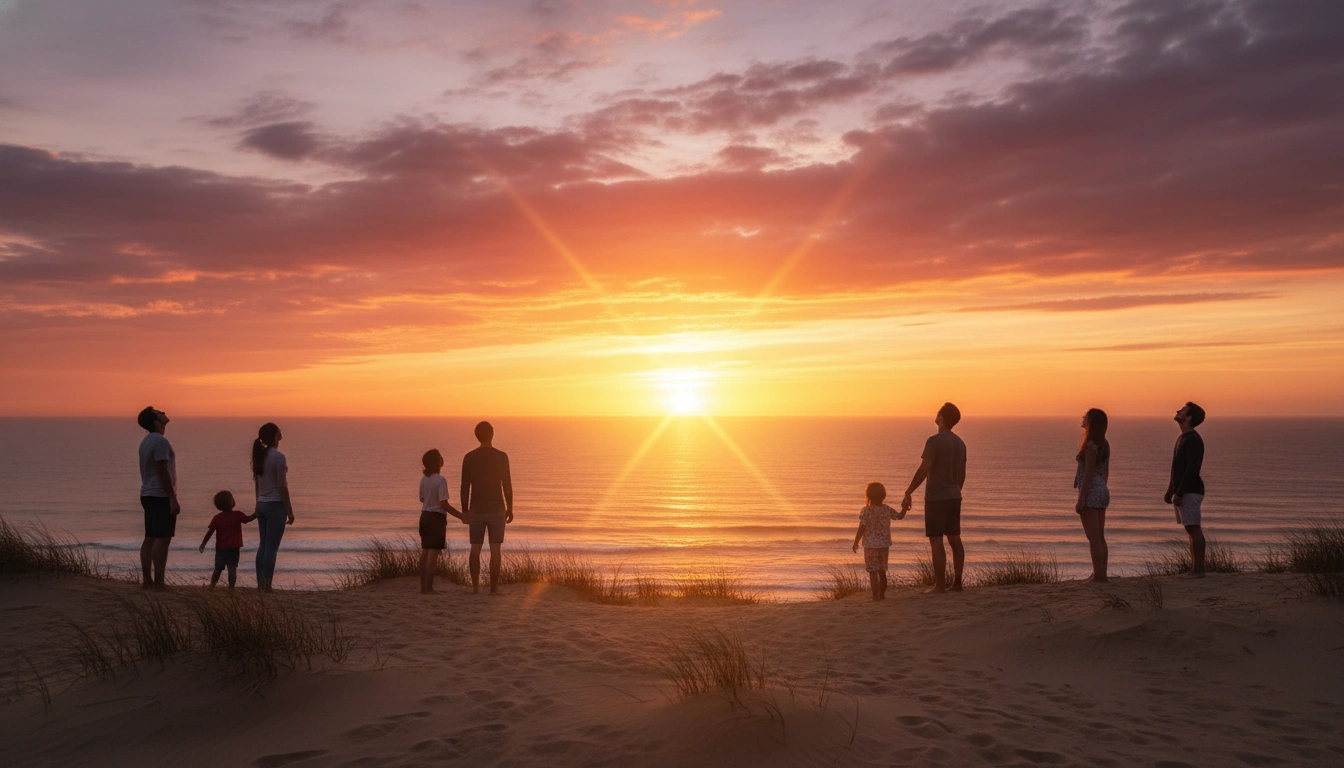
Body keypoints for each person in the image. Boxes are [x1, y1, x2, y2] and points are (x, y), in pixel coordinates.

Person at [901, 402, 967, 593]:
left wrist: (909, 491)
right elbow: (962, 473)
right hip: (954, 496)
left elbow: (924, 469)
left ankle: (939, 585)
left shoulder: (934, 441)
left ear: (941, 417)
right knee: (955, 539)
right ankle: (957, 583)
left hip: (936, 497)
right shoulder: (960, 443)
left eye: (938, 413)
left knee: (936, 540)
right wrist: (956, 490)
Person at [460, 421, 513, 594]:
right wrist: (510, 507)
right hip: (497, 508)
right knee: (495, 549)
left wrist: (465, 510)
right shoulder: (502, 456)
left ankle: (475, 587)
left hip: (476, 509)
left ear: (477, 436)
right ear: (492, 434)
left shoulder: (469, 457)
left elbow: (464, 487)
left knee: (475, 548)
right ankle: (493, 588)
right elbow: (507, 485)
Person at [136, 407, 179, 590]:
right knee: (162, 539)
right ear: (156, 422)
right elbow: (163, 471)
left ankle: (148, 581)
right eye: (159, 412)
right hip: (159, 495)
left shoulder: (146, 441)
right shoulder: (160, 442)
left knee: (150, 537)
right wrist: (172, 498)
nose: (163, 411)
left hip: (148, 494)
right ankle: (159, 583)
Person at [1165, 402, 1207, 578]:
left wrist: (1180, 492)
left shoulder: (1193, 440)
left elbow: (1191, 470)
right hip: (1184, 490)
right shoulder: (1183, 438)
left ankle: (1198, 570)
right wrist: (1171, 490)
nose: (1178, 411)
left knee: (1194, 528)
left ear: (1189, 417)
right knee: (1190, 529)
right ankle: (1195, 569)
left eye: (1182, 410)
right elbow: (1176, 466)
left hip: (1190, 490)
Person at [252, 422, 294, 592]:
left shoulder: (260, 456)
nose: (281, 433)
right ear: (276, 436)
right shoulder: (278, 457)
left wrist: (257, 504)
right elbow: (282, 487)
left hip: (262, 504)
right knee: (271, 548)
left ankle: (260, 584)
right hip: (275, 505)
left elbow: (257, 484)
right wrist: (290, 511)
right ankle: (267, 586)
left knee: (263, 545)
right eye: (279, 431)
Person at [418, 449, 463, 594]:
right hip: (436, 518)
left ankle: (423, 587)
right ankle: (429, 588)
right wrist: (460, 516)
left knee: (425, 552)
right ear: (439, 463)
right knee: (433, 553)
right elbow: (444, 504)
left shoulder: (424, 480)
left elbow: (422, 499)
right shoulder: (440, 480)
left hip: (424, 516)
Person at [1074, 408, 1111, 583]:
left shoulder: (1090, 445)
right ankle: (1101, 573)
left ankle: (1098, 576)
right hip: (1101, 489)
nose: (1083, 418)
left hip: (1092, 491)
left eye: (1086, 417)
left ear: (1091, 422)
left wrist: (1082, 498)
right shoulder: (1104, 444)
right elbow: (1105, 471)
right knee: (1100, 536)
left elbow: (1088, 473)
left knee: (1093, 538)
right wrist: (1102, 488)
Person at [852, 482, 904, 600]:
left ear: (868, 495)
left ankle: (875, 597)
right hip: (884, 545)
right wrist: (905, 507)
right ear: (883, 495)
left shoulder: (866, 511)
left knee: (872, 572)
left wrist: (855, 542)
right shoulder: (886, 509)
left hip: (870, 545)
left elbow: (861, 528)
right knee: (882, 571)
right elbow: (900, 516)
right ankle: (882, 595)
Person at [198, 490, 257, 588]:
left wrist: (203, 543)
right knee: (232, 569)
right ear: (231, 502)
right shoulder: (237, 514)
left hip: (221, 548)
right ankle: (231, 588)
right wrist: (257, 513)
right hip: (234, 548)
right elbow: (248, 519)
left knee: (218, 569)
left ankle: (212, 585)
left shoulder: (217, 517)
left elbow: (210, 532)